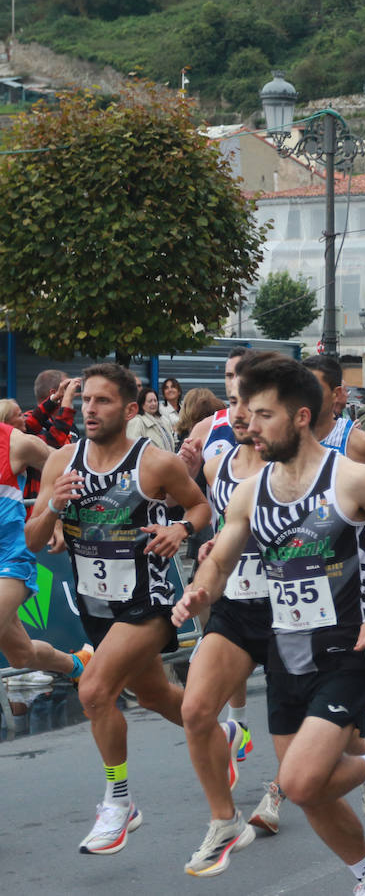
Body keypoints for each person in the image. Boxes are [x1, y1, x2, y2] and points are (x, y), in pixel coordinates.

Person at [174, 354, 365, 896]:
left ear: (298, 417)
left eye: (264, 415)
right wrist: (202, 588)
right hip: (284, 651)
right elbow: (221, 559)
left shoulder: (351, 479)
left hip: (347, 648)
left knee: (297, 781)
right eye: (249, 412)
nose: (250, 424)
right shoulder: (248, 490)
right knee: (312, 790)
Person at [25, 363, 212, 855]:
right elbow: (33, 540)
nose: (89, 409)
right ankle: (225, 732)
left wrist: (181, 531)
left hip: (146, 600)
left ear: (129, 410)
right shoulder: (61, 462)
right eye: (85, 399)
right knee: (153, 695)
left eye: (102, 401)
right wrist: (56, 510)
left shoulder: (154, 463)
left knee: (94, 690)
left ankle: (120, 801)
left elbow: (200, 508)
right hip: (95, 603)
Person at [179, 353, 276, 875]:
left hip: (295, 615)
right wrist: (203, 561)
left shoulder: (306, 468)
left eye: (251, 403)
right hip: (236, 606)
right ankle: (225, 820)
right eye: (233, 401)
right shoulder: (218, 467)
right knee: (195, 712)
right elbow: (209, 523)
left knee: (312, 747)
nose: (239, 413)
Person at [0, 416, 87, 683]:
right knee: (21, 655)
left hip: (9, 560)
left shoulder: (14, 442)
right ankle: (80, 665)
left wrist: (55, 518)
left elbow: (68, 469)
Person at [126, 386, 174, 452]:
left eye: (155, 400)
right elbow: (132, 449)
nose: (154, 403)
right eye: (150, 401)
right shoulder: (137, 421)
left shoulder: (164, 421)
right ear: (142, 404)